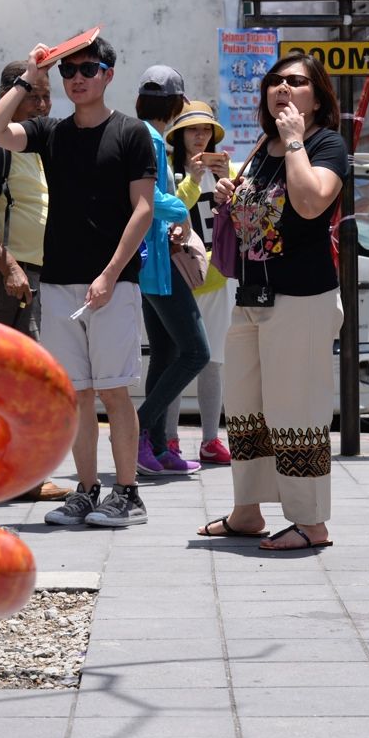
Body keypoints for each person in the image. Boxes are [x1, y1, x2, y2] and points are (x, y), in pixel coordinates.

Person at [0, 33, 156, 528]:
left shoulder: (131, 133)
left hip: (114, 284)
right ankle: (86, 490)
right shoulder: (50, 131)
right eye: (68, 72)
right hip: (57, 281)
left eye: (88, 69)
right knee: (76, 392)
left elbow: (143, 209)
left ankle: (128, 493)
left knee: (114, 391)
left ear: (108, 75)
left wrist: (110, 274)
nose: (77, 78)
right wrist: (26, 80)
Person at [196, 53, 347, 551]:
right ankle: (247, 512)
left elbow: (309, 202)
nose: (282, 88)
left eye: (297, 82)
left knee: (296, 407)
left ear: (318, 97)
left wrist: (298, 140)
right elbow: (256, 218)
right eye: (275, 82)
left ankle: (311, 522)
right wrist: (230, 194)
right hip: (251, 293)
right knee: (246, 407)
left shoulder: (326, 144)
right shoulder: (263, 146)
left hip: (302, 296)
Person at [0, 62, 72, 502]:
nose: (43, 104)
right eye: (33, 95)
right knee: (16, 379)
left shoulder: (34, 145)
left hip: (33, 275)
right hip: (8, 277)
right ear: (11, 93)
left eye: (47, 95)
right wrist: (12, 269)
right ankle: (16, 477)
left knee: (8, 378)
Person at [132, 66, 207, 477]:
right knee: (197, 351)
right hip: (158, 264)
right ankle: (140, 429)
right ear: (177, 104)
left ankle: (158, 448)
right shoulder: (152, 138)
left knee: (165, 354)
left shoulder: (136, 132)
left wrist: (184, 193)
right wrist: (182, 210)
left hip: (148, 261)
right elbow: (152, 200)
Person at [167, 100, 234, 465]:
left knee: (214, 361)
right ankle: (170, 438)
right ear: (179, 135)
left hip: (218, 276)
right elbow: (169, 211)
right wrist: (191, 180)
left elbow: (240, 213)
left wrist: (230, 182)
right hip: (180, 274)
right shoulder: (171, 171)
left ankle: (211, 439)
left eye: (206, 130)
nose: (200, 136)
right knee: (180, 358)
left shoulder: (225, 170)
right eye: (193, 129)